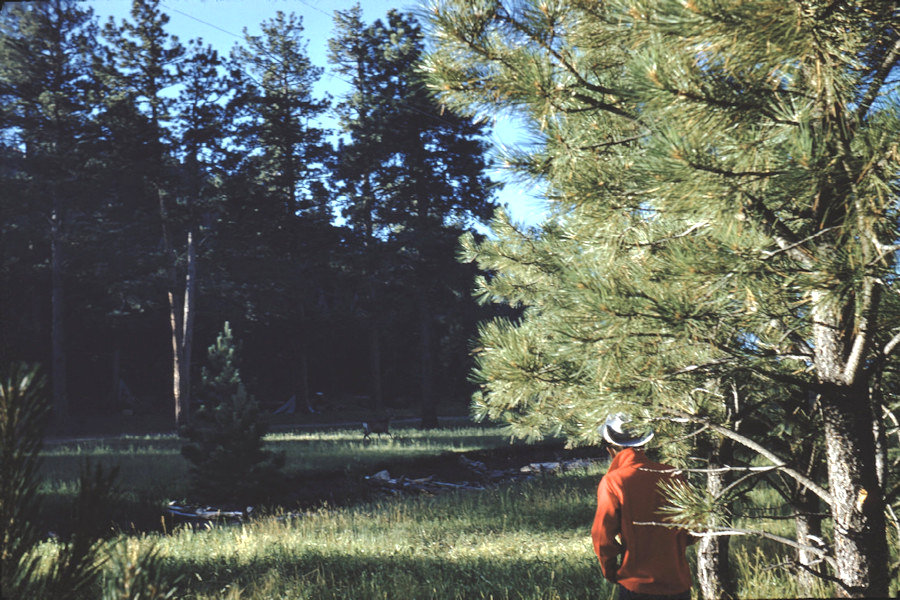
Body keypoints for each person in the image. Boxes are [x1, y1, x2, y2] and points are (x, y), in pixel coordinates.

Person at [591, 412, 694, 600]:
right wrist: (671, 544)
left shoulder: (613, 481)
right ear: (644, 444)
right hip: (677, 583)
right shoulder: (674, 475)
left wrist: (610, 571)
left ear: (610, 449)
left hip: (636, 584)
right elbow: (696, 528)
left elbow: (602, 537)